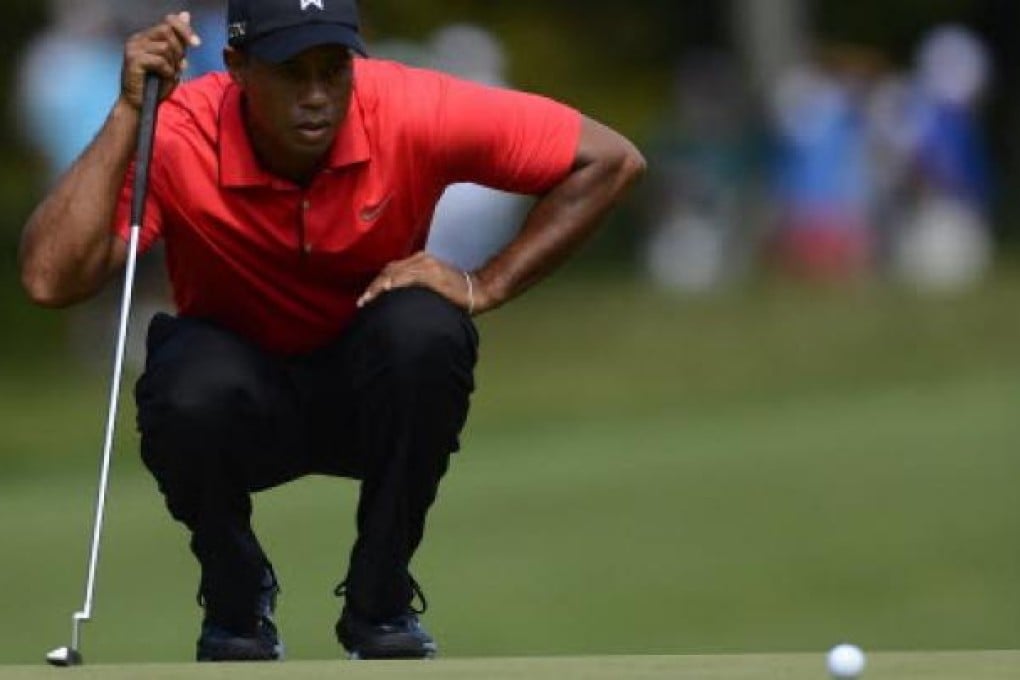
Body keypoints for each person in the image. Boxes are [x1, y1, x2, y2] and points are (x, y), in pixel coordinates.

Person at [18, 0, 645, 664]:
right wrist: (126, 116)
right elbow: (51, 280)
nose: (316, 96)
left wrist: (483, 284)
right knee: (185, 382)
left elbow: (610, 159)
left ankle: (381, 599)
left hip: (371, 396)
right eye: (292, 72)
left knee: (427, 330)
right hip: (238, 405)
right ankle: (236, 600)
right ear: (237, 67)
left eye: (333, 69)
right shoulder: (176, 130)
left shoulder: (409, 107)